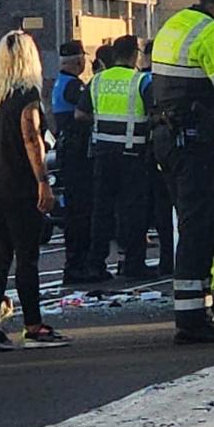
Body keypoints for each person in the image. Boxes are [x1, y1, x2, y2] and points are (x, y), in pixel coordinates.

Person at [150, 0, 214, 344]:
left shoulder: (175, 23)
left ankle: (192, 311)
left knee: (189, 223)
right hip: (192, 140)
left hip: (165, 138)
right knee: (198, 225)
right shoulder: (212, 32)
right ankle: (192, 321)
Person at [0, 31, 69, 351]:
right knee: (27, 258)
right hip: (18, 184)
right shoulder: (27, 93)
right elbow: (31, 138)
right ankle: (33, 325)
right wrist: (43, 181)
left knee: (0, 257)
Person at [77, 34, 154, 280]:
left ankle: (96, 264)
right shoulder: (142, 81)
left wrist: (101, 122)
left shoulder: (97, 80)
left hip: (102, 154)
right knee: (133, 211)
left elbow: (80, 114)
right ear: (134, 55)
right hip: (132, 155)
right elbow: (156, 113)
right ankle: (133, 264)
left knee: (102, 211)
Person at [51, 40, 94, 284]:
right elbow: (83, 114)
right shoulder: (74, 86)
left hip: (67, 151)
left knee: (75, 211)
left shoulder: (60, 83)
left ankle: (77, 263)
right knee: (80, 212)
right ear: (79, 61)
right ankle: (77, 265)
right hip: (77, 155)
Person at [140, 40, 174, 276]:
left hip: (151, 151)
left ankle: (166, 259)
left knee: (162, 210)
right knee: (165, 210)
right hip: (160, 152)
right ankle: (168, 259)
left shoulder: (145, 80)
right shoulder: (153, 82)